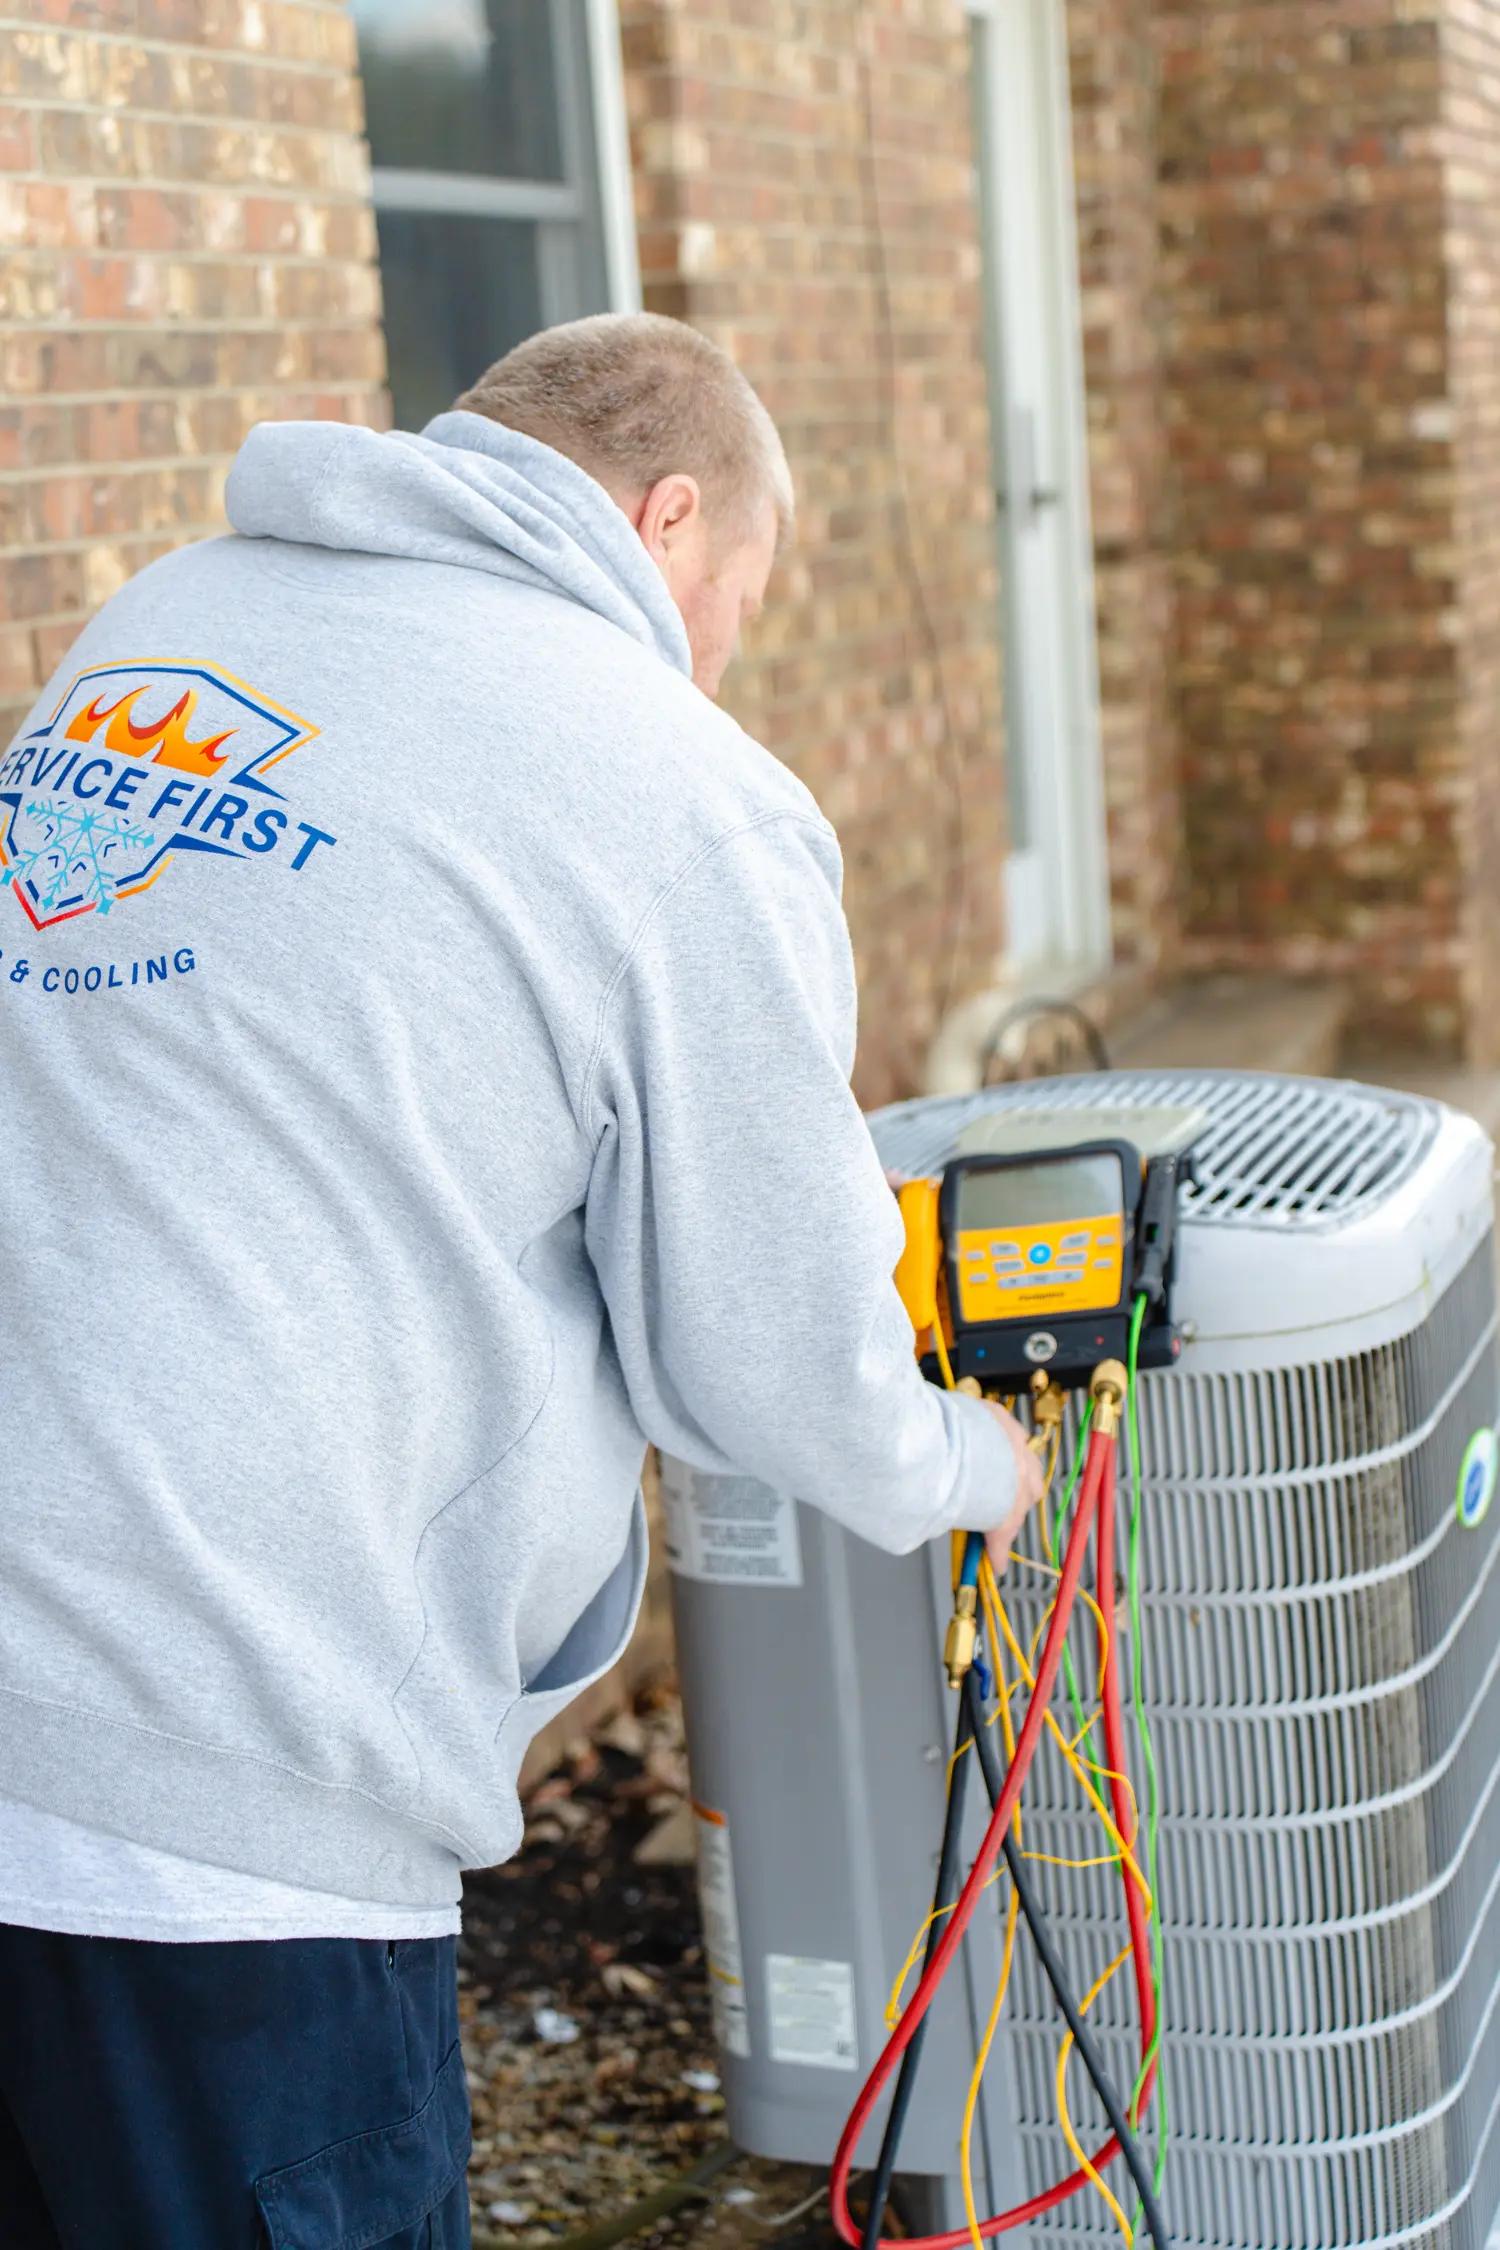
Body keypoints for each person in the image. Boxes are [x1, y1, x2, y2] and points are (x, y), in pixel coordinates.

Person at [0, 313, 1043, 2249]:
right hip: (231, 1822)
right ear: (664, 521)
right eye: (733, 600)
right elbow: (774, 1359)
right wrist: (982, 1469)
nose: (720, 656)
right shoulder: (667, 786)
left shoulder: (156, 633)